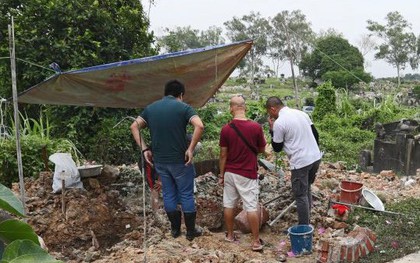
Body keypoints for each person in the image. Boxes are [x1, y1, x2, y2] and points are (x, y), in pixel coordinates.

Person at [130, 79, 204, 241]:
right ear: (181, 94)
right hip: (180, 161)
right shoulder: (184, 108)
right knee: (186, 194)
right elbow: (199, 126)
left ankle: (175, 230)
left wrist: (144, 149)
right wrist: (190, 149)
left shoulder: (151, 108)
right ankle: (191, 232)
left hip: (160, 162)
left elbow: (134, 126)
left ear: (165, 93)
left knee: (169, 194)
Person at [218, 95, 267, 251]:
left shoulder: (226, 129)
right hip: (247, 172)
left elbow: (223, 155)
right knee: (251, 206)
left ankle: (230, 235)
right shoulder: (256, 127)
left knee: (229, 204)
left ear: (231, 108)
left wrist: (221, 175)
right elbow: (261, 150)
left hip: (230, 172)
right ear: (245, 108)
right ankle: (255, 241)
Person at [265, 96, 322, 225]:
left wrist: (271, 129)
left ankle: (303, 228)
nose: (270, 115)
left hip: (300, 162)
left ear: (273, 109)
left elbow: (277, 147)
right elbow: (316, 134)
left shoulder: (280, 123)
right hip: (315, 158)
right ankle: (307, 221)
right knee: (306, 189)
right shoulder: (302, 114)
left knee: (300, 195)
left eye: (269, 112)